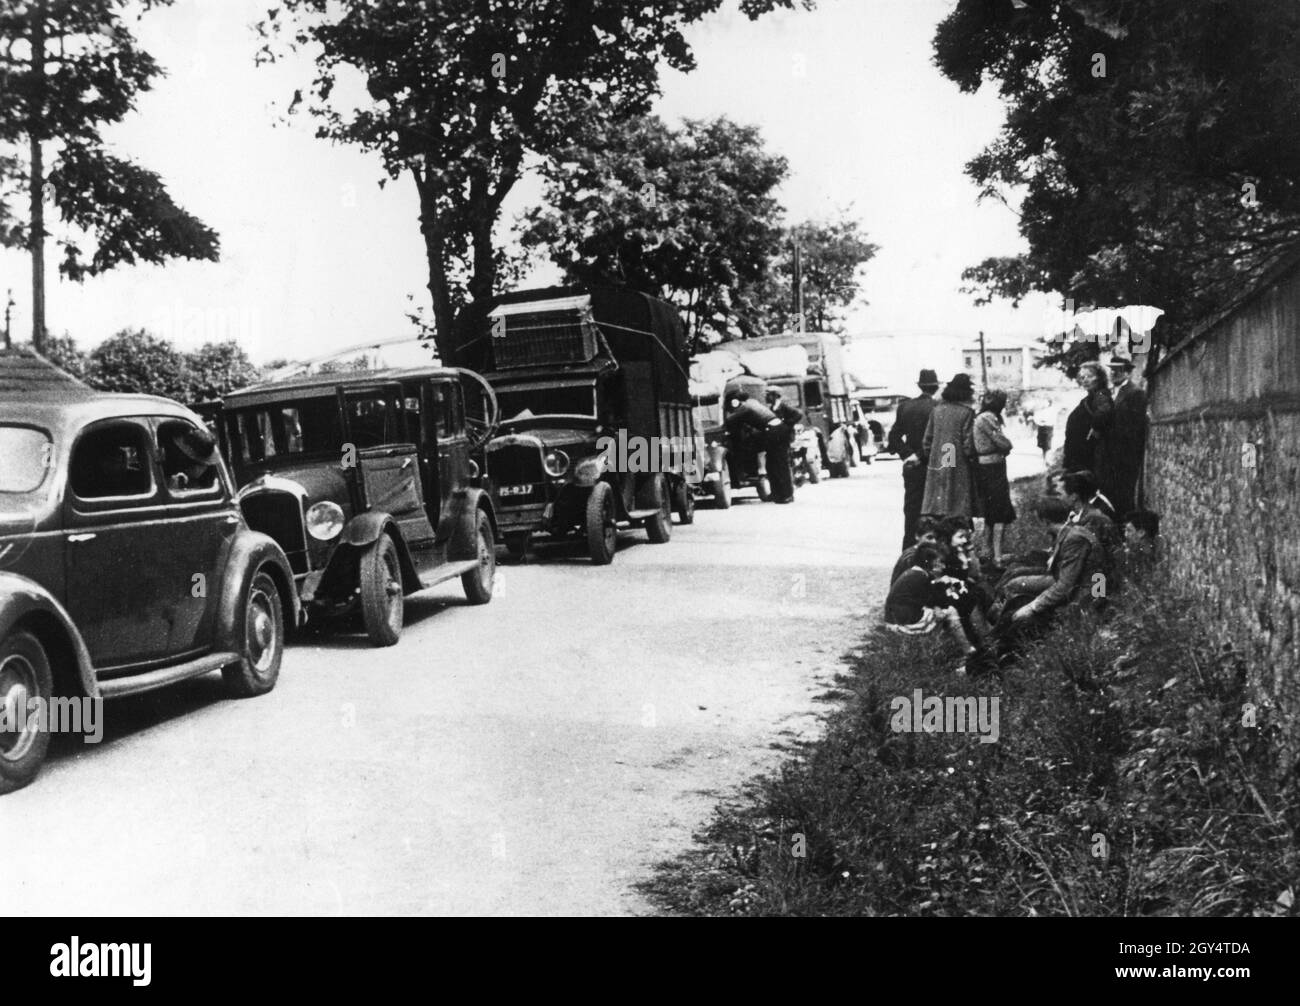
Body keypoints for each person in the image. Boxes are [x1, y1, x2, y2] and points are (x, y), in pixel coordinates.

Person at [884, 542, 988, 673]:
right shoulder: (921, 577)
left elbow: (927, 596)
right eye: (939, 562)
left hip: (895, 619)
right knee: (950, 612)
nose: (942, 566)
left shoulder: (915, 573)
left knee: (941, 613)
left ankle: (954, 650)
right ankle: (968, 651)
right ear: (929, 563)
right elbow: (935, 600)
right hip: (904, 622)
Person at [887, 369, 940, 548]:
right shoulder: (939, 407)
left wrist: (908, 455)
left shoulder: (905, 407)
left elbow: (893, 437)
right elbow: (942, 442)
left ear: (919, 386)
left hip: (912, 467)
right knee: (936, 513)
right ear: (936, 387)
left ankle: (909, 554)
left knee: (912, 512)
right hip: (935, 467)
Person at [920, 372, 978, 521]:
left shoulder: (936, 411)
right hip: (959, 466)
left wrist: (935, 457)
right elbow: (968, 446)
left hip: (938, 464)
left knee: (939, 506)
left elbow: (927, 442)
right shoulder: (967, 413)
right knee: (957, 506)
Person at [1062, 361, 1118, 502]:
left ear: (1099, 377)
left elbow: (1105, 412)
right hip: (1082, 454)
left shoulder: (1101, 395)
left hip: (1089, 456)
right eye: (1082, 377)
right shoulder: (1090, 397)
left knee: (1088, 492)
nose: (1084, 380)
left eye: (1089, 376)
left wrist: (1094, 429)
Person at [973, 389, 1016, 567]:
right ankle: (997, 556)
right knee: (999, 511)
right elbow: (1003, 442)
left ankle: (987, 552)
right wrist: (1006, 446)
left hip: (987, 466)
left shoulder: (982, 416)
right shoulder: (988, 418)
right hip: (993, 467)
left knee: (991, 512)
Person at [725, 391, 793, 504]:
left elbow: (730, 420)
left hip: (774, 431)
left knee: (779, 465)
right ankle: (778, 494)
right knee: (772, 465)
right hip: (777, 430)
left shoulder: (744, 407)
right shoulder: (752, 402)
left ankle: (786, 495)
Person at [1106, 356, 1148, 515]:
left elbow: (1136, 427)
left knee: (1125, 493)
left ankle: (1124, 528)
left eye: (1118, 370)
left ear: (1127, 373)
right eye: (1112, 370)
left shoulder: (1136, 393)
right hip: (1111, 453)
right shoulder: (1112, 392)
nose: (1114, 373)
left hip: (1126, 453)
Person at [890, 516, 942, 584]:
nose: (934, 542)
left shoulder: (924, 554)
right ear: (917, 536)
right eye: (929, 537)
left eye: (936, 538)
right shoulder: (911, 557)